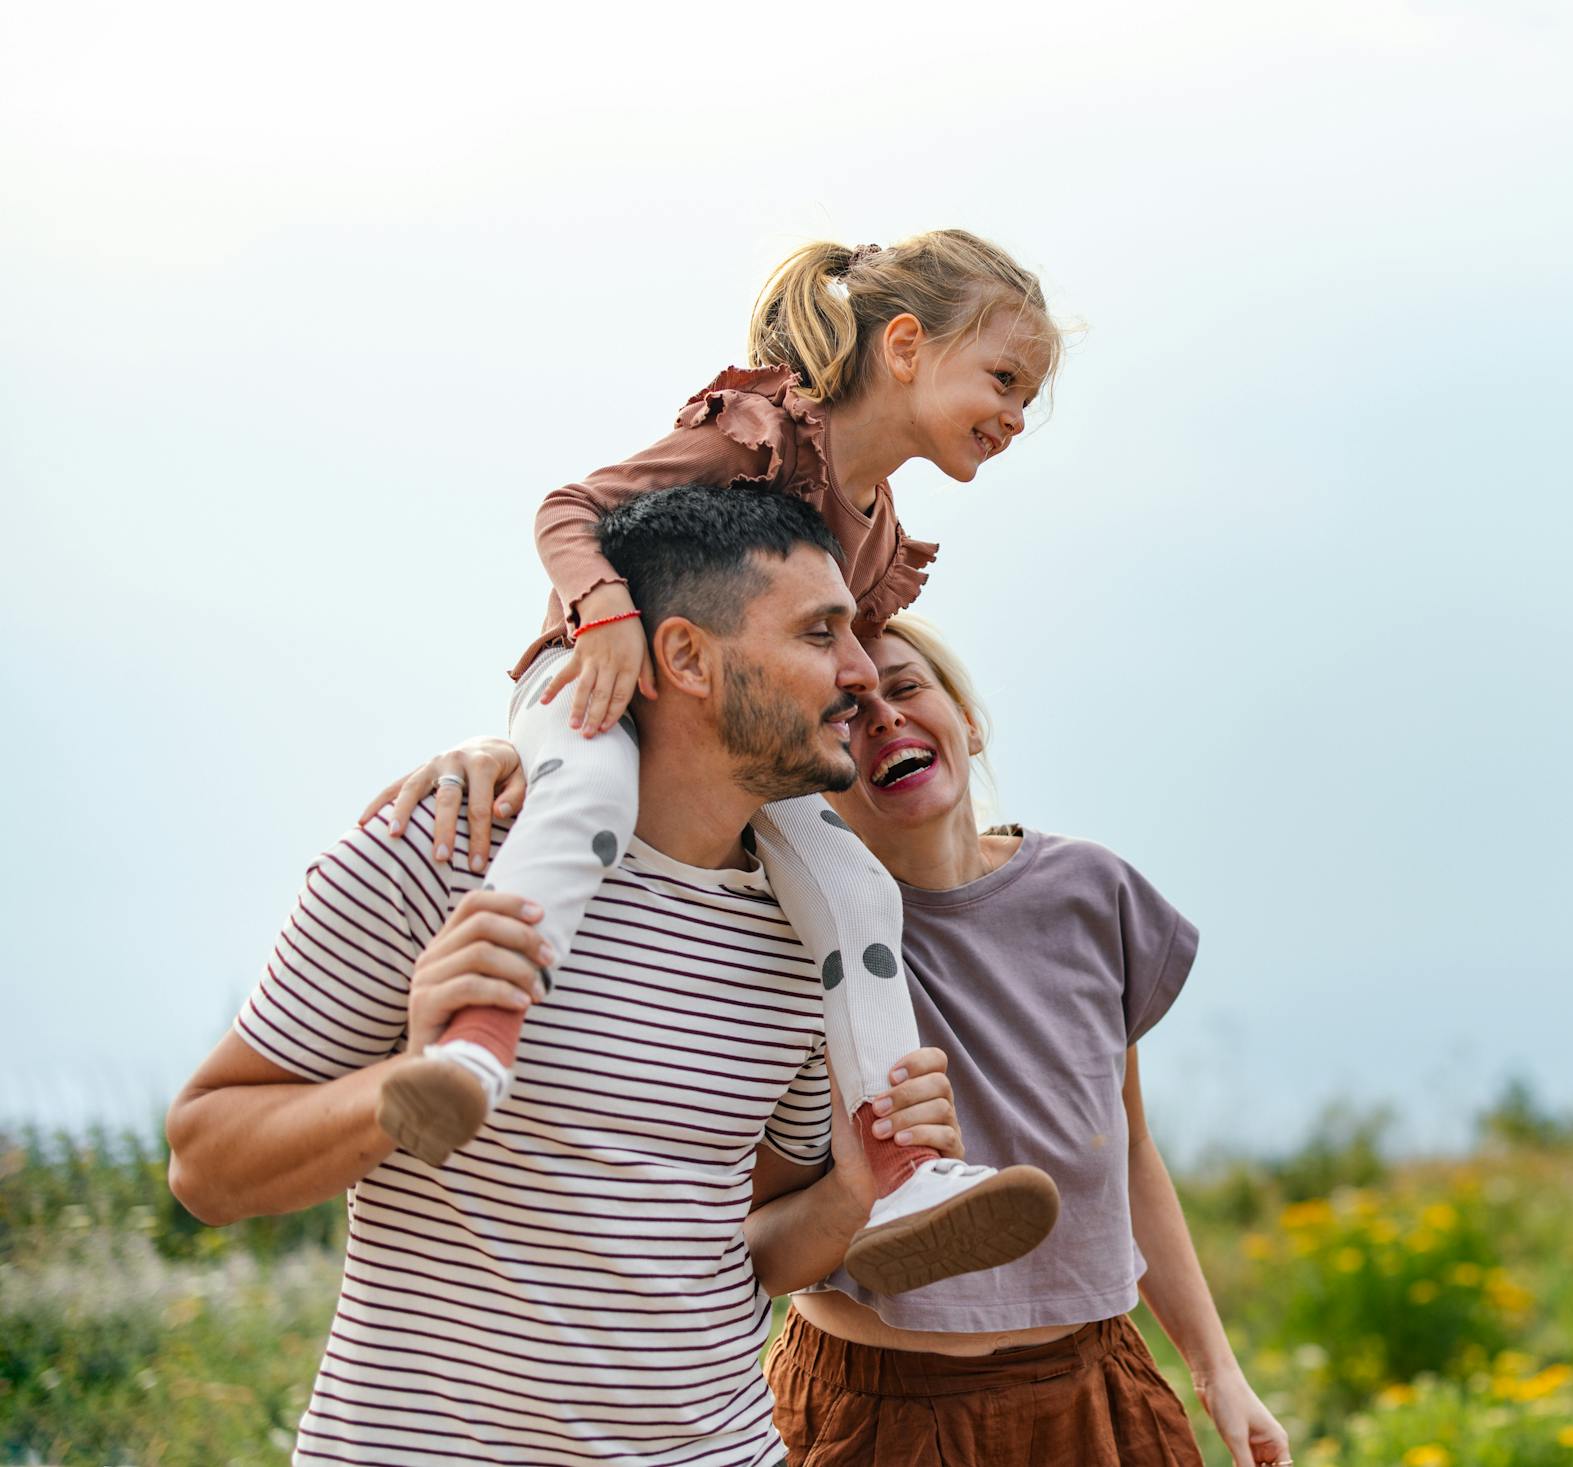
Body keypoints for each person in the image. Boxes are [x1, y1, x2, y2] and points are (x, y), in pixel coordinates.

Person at [167, 488, 976, 1467]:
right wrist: (404, 1080)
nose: (860, 675)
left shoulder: (818, 934)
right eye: (820, 635)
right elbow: (204, 1165)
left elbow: (751, 1247)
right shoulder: (446, 854)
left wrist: (853, 1192)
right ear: (683, 658)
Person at [385, 616, 1294, 1467]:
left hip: (1094, 1384)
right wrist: (516, 748)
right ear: (814, 760)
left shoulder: (1094, 893)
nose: (885, 718)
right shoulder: (786, 935)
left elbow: (1131, 1152)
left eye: (907, 688)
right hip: (876, 1408)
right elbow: (755, 1234)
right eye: (851, 712)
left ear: (968, 722)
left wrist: (1217, 1369)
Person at [371, 230, 1063, 1293]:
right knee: (588, 804)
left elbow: (837, 663)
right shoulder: (763, 435)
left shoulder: (874, 534)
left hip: (726, 742)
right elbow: (571, 508)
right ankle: (475, 1041)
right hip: (598, 679)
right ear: (911, 345)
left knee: (855, 889)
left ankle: (903, 1166)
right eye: (1006, 378)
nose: (1017, 415)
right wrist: (604, 616)